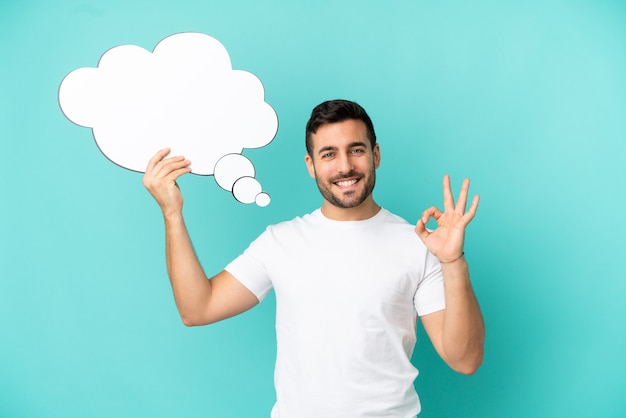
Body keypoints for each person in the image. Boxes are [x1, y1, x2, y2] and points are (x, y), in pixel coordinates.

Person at [142, 99, 485, 417]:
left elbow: (465, 360)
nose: (345, 166)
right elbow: (197, 308)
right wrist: (172, 213)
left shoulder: (417, 245)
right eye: (329, 154)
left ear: (376, 155)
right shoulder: (280, 241)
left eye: (356, 150)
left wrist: (453, 261)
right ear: (311, 165)